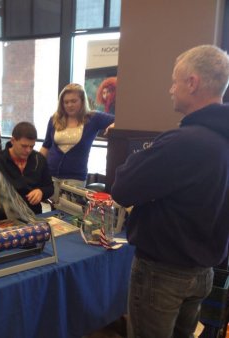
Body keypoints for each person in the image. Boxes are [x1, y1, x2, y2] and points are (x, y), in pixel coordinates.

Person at [111, 45, 229, 338]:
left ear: (193, 82)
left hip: (162, 273)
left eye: (175, 81)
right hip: (204, 272)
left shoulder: (184, 142)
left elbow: (122, 188)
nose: (170, 89)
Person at [39, 83, 114, 203]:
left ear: (82, 101)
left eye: (74, 101)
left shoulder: (93, 118)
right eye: (66, 102)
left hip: (75, 177)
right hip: (51, 175)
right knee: (53, 213)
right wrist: (35, 167)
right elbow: (46, 146)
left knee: (72, 214)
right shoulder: (54, 119)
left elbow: (120, 120)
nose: (69, 105)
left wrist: (113, 126)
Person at [0, 121, 54, 221]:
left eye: (31, 146)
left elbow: (50, 187)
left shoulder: (39, 159)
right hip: (3, 219)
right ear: (13, 141)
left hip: (33, 215)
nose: (28, 150)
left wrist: (41, 192)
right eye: (24, 146)